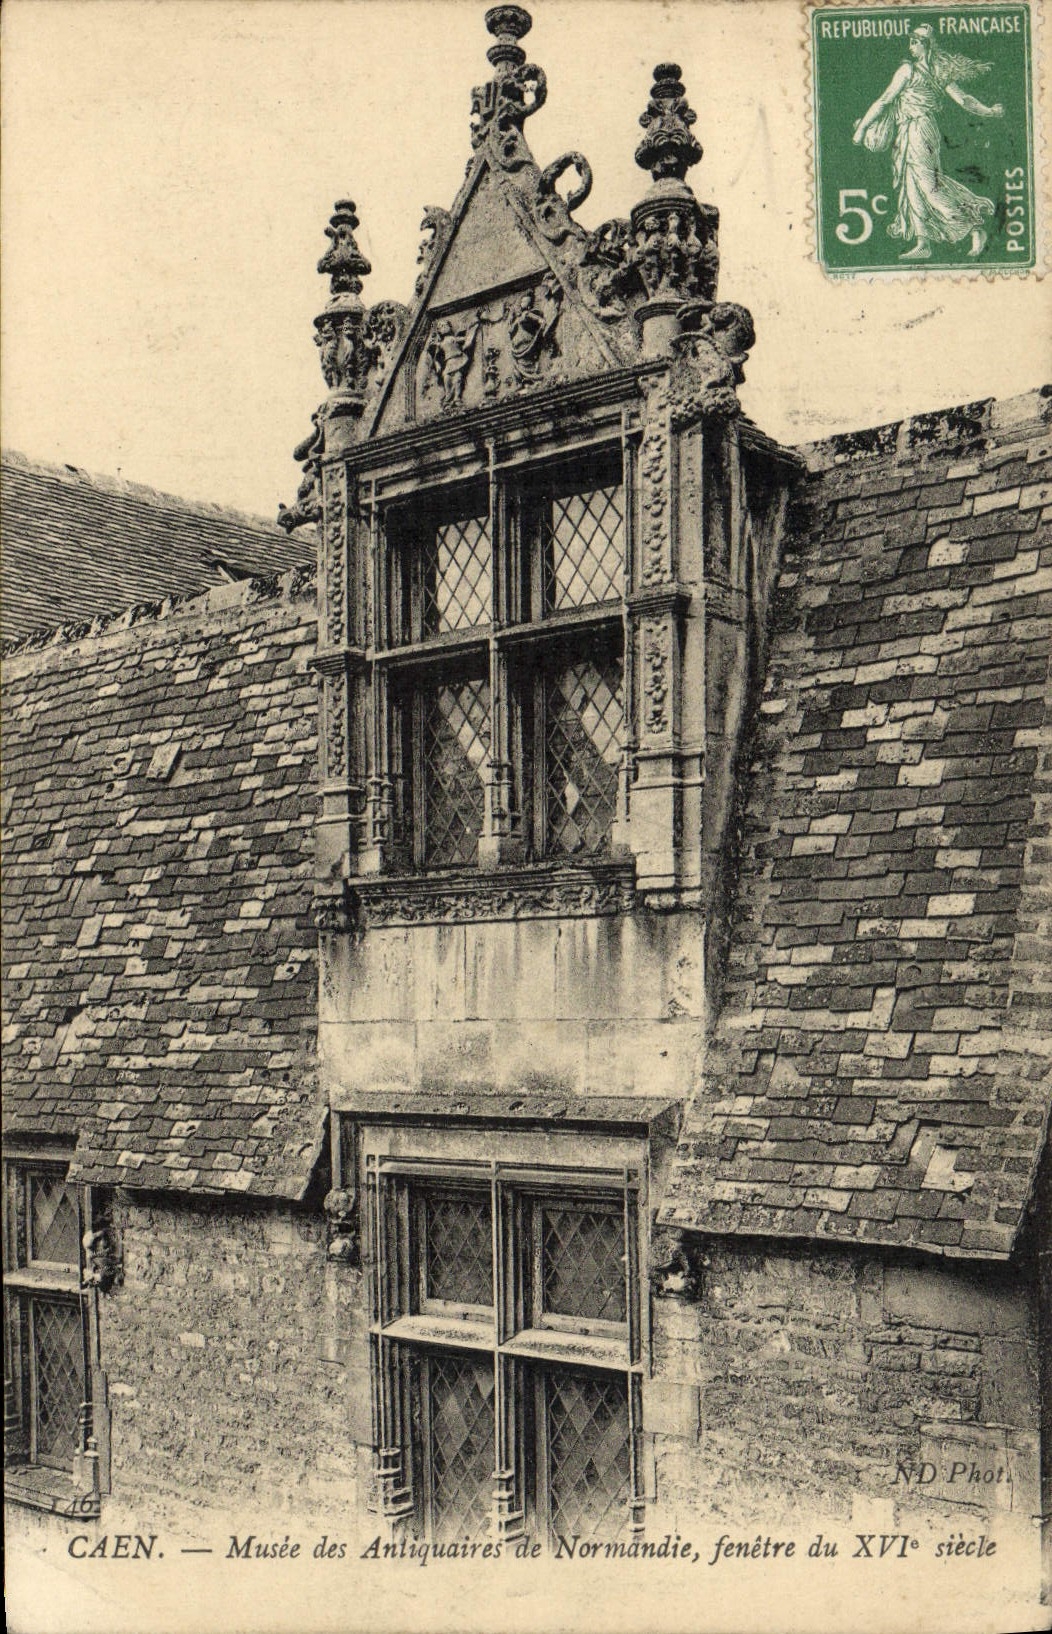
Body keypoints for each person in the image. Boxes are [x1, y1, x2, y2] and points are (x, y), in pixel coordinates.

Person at [853, 23, 1004, 260]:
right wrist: (990, 111)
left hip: (919, 129)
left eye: (915, 41)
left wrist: (861, 129)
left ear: (926, 45)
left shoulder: (910, 70)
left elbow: (884, 101)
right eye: (910, 41)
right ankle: (923, 242)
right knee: (912, 186)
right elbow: (964, 100)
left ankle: (974, 228)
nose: (911, 45)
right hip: (909, 130)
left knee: (929, 187)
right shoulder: (933, 71)